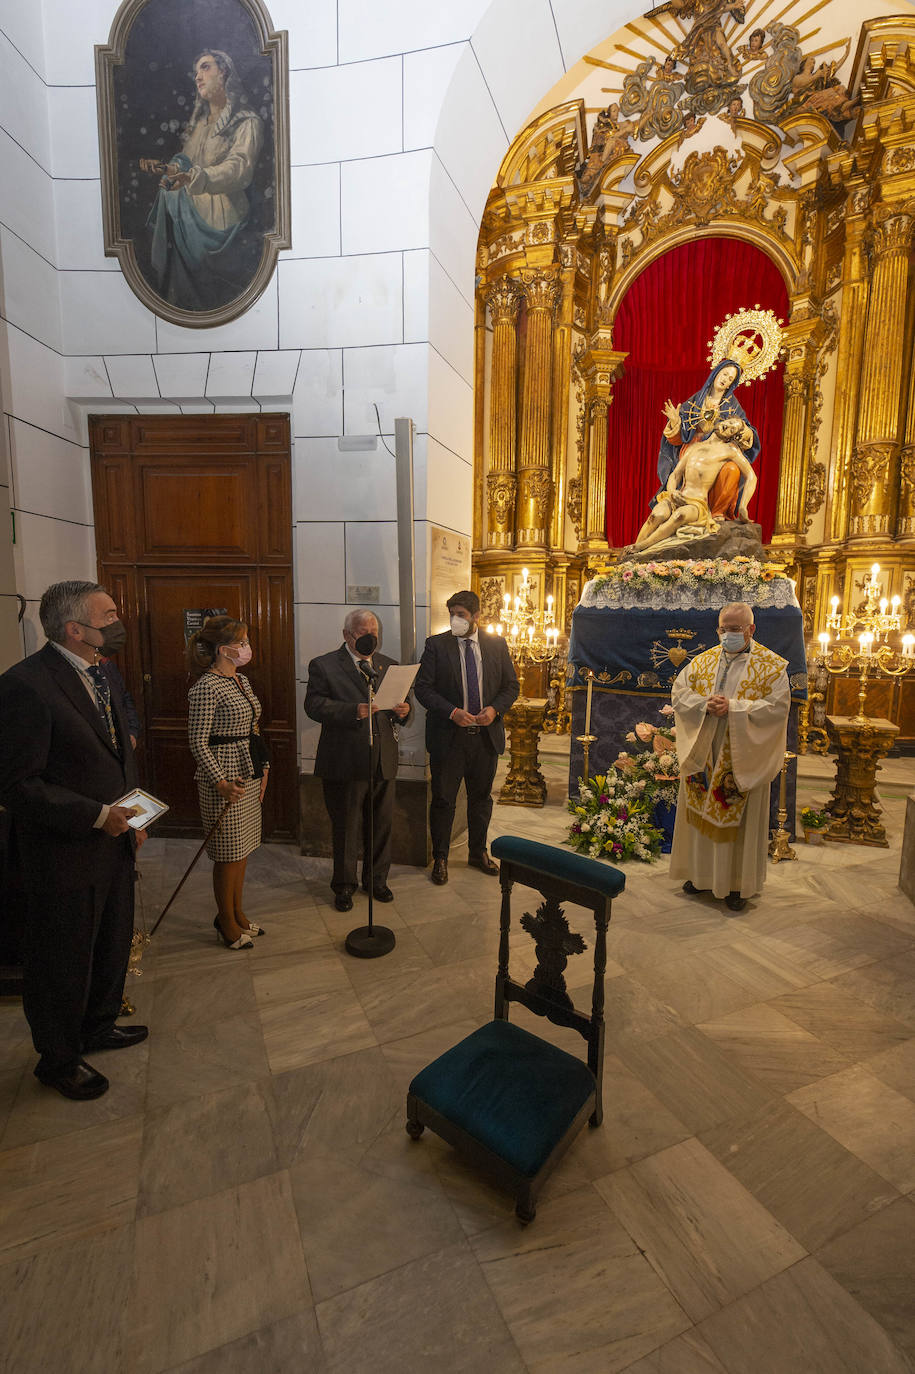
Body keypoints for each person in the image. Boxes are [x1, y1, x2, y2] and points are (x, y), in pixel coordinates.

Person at [0, 581, 148, 1100]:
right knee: (62, 957)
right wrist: (95, 815)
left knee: (111, 939)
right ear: (75, 629)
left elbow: (114, 751)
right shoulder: (25, 685)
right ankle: (59, 1059)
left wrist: (133, 812)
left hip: (115, 840)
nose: (118, 619)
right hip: (63, 852)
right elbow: (18, 784)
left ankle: (99, 1025)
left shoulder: (103, 670)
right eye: (108, 614)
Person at [670, 601, 790, 912]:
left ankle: (737, 885)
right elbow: (679, 692)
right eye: (723, 629)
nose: (728, 635)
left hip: (742, 754)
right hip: (707, 752)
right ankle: (699, 876)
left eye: (735, 630)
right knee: (700, 816)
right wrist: (703, 704)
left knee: (740, 825)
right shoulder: (703, 662)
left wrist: (734, 708)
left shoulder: (772, 667)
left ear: (751, 629)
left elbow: (777, 708)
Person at [305, 610, 412, 912]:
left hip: (384, 759)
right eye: (363, 631)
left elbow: (405, 708)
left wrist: (405, 711)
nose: (370, 636)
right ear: (347, 635)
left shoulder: (389, 665)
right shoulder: (324, 665)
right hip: (345, 760)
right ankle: (344, 886)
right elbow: (313, 705)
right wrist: (354, 710)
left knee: (381, 826)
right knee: (347, 827)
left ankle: (377, 881)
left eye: (374, 630)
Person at [140, 49, 264, 310]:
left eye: (206, 68)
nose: (198, 76)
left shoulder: (246, 122)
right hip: (188, 215)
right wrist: (165, 168)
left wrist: (195, 176)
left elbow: (239, 169)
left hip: (220, 223)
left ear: (224, 73)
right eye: (196, 71)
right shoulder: (199, 125)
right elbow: (185, 165)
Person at [414, 590, 520, 885]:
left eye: (461, 615)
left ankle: (477, 853)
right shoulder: (436, 645)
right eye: (452, 614)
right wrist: (452, 712)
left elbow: (511, 687)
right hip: (449, 738)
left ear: (476, 616)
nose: (455, 620)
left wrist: (495, 710)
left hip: (485, 738)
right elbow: (423, 689)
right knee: (444, 801)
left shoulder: (496, 645)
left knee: (480, 800)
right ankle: (441, 858)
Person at [187, 616, 269, 950]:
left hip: (247, 769)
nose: (247, 648)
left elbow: (253, 728)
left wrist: (264, 767)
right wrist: (219, 781)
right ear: (224, 649)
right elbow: (197, 741)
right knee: (227, 852)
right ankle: (226, 921)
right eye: (243, 642)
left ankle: (238, 913)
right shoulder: (206, 686)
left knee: (243, 848)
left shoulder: (242, 681)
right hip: (222, 776)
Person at [633, 414, 757, 550]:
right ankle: (633, 555)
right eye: (730, 422)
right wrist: (672, 492)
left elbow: (751, 476)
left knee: (678, 516)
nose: (728, 426)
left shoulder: (730, 450)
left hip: (697, 504)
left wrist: (743, 506)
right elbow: (675, 475)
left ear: (730, 437)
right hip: (678, 497)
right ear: (725, 420)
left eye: (732, 430)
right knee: (656, 515)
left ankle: (642, 546)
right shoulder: (694, 447)